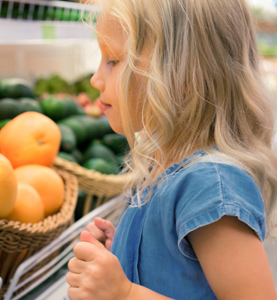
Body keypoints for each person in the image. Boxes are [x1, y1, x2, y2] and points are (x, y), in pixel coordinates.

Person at [66, 0, 277, 299]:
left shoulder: (211, 185)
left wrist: (124, 293)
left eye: (113, 60)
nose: (95, 79)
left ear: (183, 75)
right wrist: (125, 255)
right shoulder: (165, 161)